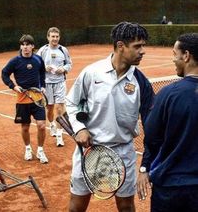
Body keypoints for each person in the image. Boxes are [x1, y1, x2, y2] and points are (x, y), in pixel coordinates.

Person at [65, 21, 154, 212]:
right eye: (137, 46)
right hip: (89, 151)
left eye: (143, 46)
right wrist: (79, 128)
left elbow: (152, 127)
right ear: (120, 46)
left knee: (126, 207)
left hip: (123, 152)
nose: (142, 51)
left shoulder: (141, 82)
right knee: (76, 207)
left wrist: (145, 165)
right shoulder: (91, 72)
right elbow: (71, 102)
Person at [137, 33, 198, 212]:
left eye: (174, 54)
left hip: (171, 187)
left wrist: (144, 168)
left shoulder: (168, 94)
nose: (173, 59)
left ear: (186, 56)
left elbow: (152, 138)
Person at [1, 34, 48, 163]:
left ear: (33, 46)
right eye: (23, 44)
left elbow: (42, 73)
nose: (25, 47)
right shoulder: (15, 61)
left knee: (42, 125)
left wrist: (42, 86)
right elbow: (4, 73)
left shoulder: (38, 60)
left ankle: (40, 150)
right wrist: (13, 86)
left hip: (37, 98)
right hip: (22, 99)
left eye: (28, 44)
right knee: (25, 127)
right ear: (21, 46)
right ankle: (28, 149)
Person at [37, 27, 72, 147]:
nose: (55, 39)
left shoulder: (63, 50)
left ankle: (59, 135)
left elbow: (69, 63)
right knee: (50, 108)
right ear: (48, 37)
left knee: (59, 108)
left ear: (59, 37)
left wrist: (64, 69)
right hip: (47, 84)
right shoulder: (42, 50)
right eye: (52, 36)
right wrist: (44, 68)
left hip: (60, 82)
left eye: (57, 37)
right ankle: (51, 124)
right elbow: (37, 65)